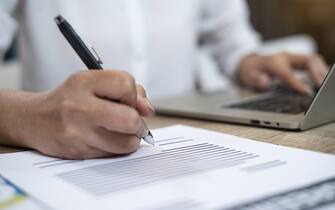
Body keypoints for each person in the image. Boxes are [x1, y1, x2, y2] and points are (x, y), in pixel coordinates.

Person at [0, 0, 328, 159]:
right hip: (59, 157)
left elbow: (231, 39)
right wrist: (30, 115)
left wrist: (251, 61)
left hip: (191, 143)